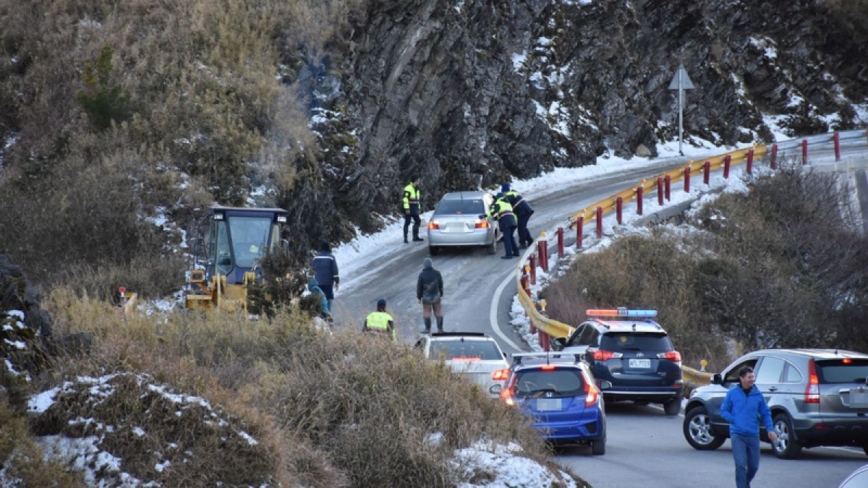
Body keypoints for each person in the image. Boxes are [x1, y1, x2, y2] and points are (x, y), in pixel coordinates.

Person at [720, 366, 778, 488]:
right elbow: (724, 410)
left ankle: (745, 483)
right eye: (749, 377)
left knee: (754, 466)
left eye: (753, 377)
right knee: (740, 465)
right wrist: (734, 420)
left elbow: (765, 413)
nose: (752, 379)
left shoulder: (757, 395)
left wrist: (770, 429)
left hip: (753, 434)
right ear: (741, 378)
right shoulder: (732, 393)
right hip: (737, 434)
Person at [485, 192, 519, 259]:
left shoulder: (499, 202)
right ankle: (516, 252)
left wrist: (485, 215)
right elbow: (503, 213)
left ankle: (509, 254)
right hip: (512, 222)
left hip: (506, 223)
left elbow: (493, 212)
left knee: (506, 239)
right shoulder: (507, 203)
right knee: (511, 238)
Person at [502, 183, 535, 249]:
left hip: (524, 212)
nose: (503, 193)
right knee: (523, 227)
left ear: (505, 191)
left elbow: (506, 201)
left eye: (503, 192)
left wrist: (498, 199)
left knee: (521, 228)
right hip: (524, 211)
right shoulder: (512, 194)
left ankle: (523, 243)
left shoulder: (510, 194)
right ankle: (530, 240)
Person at [416, 257, 444, 334]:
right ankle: (440, 329)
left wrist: (419, 297)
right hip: (436, 296)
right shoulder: (437, 273)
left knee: (426, 312)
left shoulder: (422, 275)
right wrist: (441, 293)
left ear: (424, 265)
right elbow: (440, 284)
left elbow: (419, 287)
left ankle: (427, 329)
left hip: (426, 297)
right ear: (431, 264)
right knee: (438, 311)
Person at [311, 241, 339, 313]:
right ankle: (328, 313)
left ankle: (321, 312)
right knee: (329, 297)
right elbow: (334, 271)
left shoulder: (315, 258)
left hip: (318, 281)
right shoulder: (331, 258)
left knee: (320, 297)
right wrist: (337, 281)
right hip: (328, 282)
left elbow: (312, 269)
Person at [402, 175, 423, 243]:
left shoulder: (417, 189)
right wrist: (407, 208)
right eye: (418, 180)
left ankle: (415, 237)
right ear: (415, 181)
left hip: (414, 208)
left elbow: (417, 200)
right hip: (409, 208)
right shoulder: (408, 188)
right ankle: (405, 238)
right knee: (407, 223)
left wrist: (419, 208)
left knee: (418, 221)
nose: (419, 182)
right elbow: (405, 199)